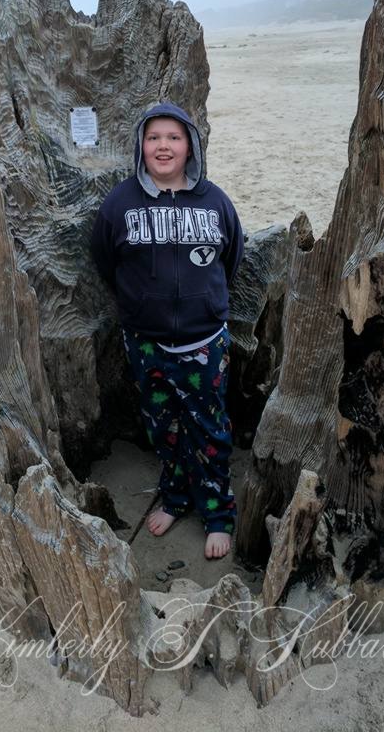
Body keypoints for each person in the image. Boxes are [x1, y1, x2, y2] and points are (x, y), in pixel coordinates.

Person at [90, 102, 244, 559]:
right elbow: (105, 260)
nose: (163, 146)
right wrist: (142, 304)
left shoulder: (214, 201)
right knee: (165, 428)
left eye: (173, 137)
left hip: (204, 345)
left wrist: (204, 304)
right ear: (141, 144)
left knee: (209, 429)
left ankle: (217, 514)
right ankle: (176, 499)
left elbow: (231, 257)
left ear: (189, 146)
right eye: (154, 137)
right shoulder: (120, 204)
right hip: (146, 344)